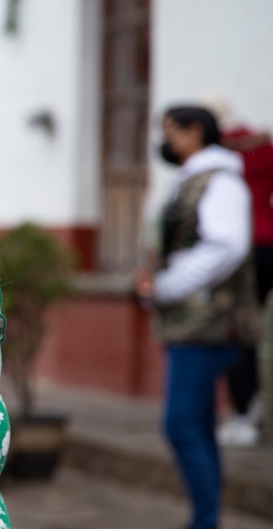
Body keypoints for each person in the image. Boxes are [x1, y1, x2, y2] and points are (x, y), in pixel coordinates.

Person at [137, 105, 259, 529]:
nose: (166, 141)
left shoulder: (221, 182)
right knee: (199, 425)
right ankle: (205, 518)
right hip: (188, 322)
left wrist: (170, 283)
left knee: (181, 425)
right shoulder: (191, 179)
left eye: (173, 132)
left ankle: (204, 521)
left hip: (209, 324)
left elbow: (226, 246)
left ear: (196, 132)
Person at [218, 122, 273, 447]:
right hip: (269, 245)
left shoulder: (225, 159)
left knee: (239, 333)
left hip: (245, 248)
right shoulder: (266, 152)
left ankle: (245, 413)